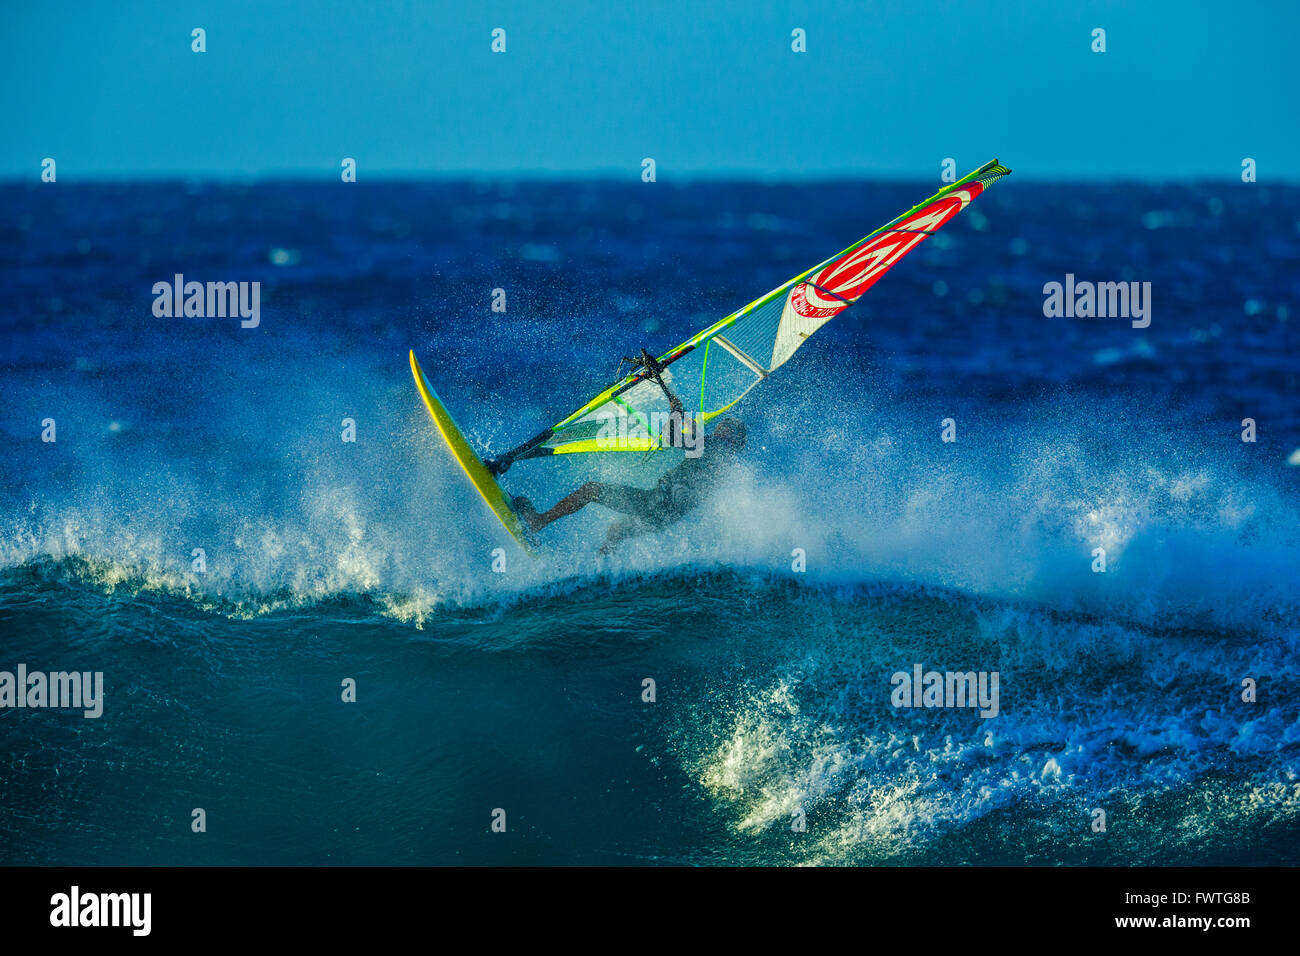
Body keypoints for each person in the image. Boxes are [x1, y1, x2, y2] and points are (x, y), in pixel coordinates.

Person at [513, 418, 747, 551]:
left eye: (727, 428)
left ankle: (538, 521)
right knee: (615, 532)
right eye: (721, 425)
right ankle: (601, 573)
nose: (720, 428)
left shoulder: (712, 447)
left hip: (654, 504)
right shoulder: (724, 465)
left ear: (733, 439)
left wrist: (676, 409)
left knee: (591, 490)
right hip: (665, 518)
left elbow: (671, 436)